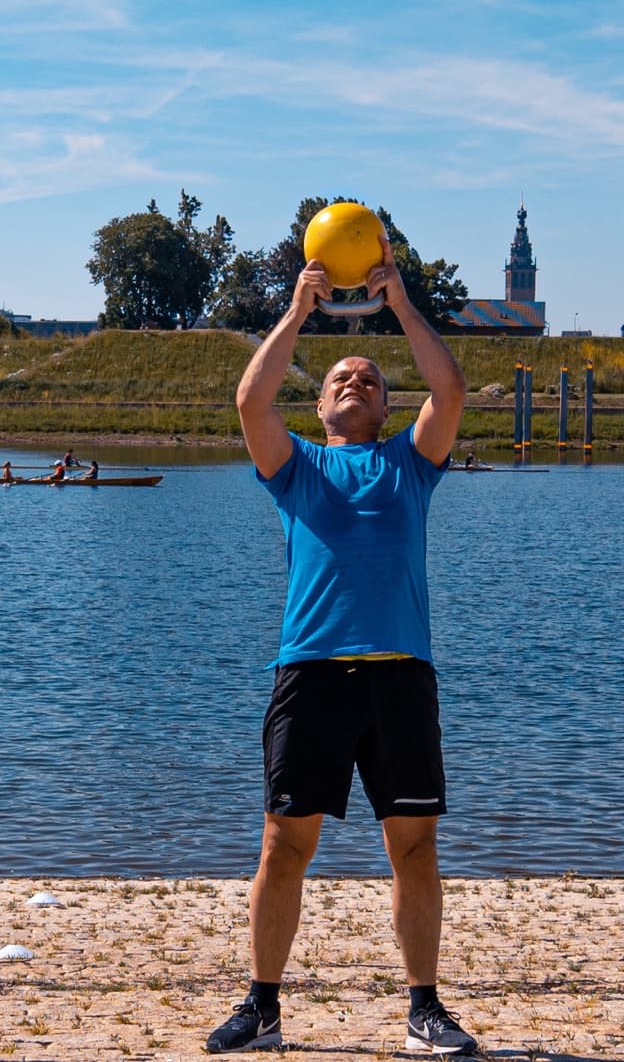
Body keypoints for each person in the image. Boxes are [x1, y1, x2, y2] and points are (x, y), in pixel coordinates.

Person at [207, 234, 476, 1058]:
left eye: (367, 378)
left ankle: (425, 1007)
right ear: (321, 405)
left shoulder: (411, 462)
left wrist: (396, 301)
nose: (352, 381)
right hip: (312, 672)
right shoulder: (296, 467)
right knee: (283, 842)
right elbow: (252, 402)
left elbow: (451, 386)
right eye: (338, 377)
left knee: (415, 846)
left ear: (385, 408)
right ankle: (263, 1006)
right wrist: (297, 310)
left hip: (400, 676)